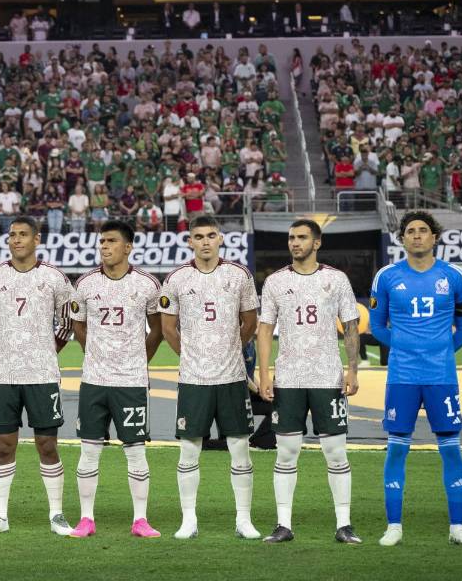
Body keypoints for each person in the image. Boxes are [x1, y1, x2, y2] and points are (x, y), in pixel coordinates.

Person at [370, 211, 462, 547]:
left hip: (441, 376)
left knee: (451, 450)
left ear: (435, 237)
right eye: (410, 231)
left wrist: (441, 350)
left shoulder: (455, 276)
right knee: (396, 450)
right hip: (402, 376)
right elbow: (376, 325)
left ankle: (457, 528)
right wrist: (404, 346)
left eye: (423, 231)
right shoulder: (386, 277)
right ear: (402, 239)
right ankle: (394, 527)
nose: (417, 236)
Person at [257, 219, 362, 544]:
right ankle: (283, 525)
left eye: (302, 237)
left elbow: (351, 325)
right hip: (288, 379)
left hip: (327, 377)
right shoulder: (274, 282)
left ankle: (344, 525)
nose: (295, 242)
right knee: (286, 452)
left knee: (336, 452)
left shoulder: (336, 279)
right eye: (291, 237)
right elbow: (264, 329)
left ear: (317, 243)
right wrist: (264, 373)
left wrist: (353, 369)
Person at [159, 215, 260, 540]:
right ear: (190, 241)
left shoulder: (239, 275)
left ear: (220, 239)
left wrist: (230, 349)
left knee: (240, 447)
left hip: (231, 378)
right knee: (189, 450)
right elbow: (168, 328)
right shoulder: (176, 279)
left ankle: (243, 520)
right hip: (193, 379)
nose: (205, 241)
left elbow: (250, 322)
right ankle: (189, 520)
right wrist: (192, 355)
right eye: (198, 236)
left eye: (211, 235)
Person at [0, 216, 74, 537]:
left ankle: (57, 515)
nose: (16, 240)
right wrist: (8, 348)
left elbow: (67, 322)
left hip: (43, 374)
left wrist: (43, 349)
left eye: (23, 235)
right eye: (12, 235)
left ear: (37, 239)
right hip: (4, 375)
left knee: (47, 444)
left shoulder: (56, 279)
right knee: (4, 445)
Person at [69, 220, 164, 539]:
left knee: (135, 450)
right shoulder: (84, 284)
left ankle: (141, 520)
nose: (105, 247)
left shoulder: (148, 285)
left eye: (111, 241)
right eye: (102, 242)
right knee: (89, 450)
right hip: (94, 380)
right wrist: (94, 353)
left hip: (132, 382)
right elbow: (78, 326)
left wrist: (138, 358)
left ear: (128, 247)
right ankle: (85, 519)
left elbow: (158, 329)